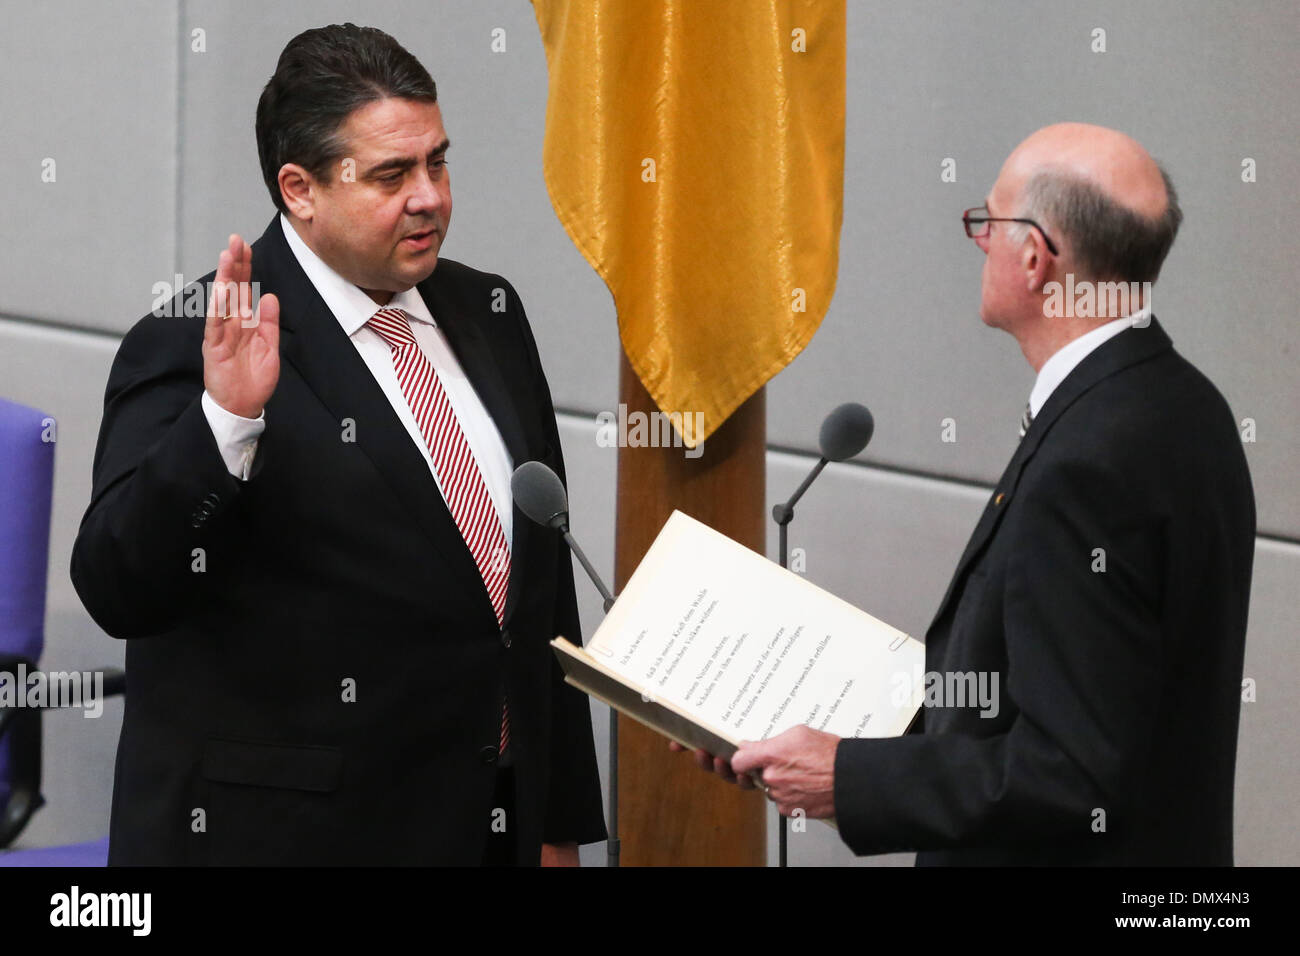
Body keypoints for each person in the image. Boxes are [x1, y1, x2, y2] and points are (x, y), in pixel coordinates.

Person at [70, 23, 605, 866]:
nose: (429, 196)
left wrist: (556, 823)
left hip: (484, 826)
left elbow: (535, 602)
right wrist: (223, 424)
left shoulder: (490, 314)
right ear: (300, 189)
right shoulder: (194, 337)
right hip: (289, 840)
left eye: (438, 161)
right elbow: (116, 584)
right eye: (392, 174)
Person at [680, 123, 1255, 865]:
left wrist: (845, 777)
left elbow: (1069, 775)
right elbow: (1070, 699)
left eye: (986, 222)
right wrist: (812, 732)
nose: (978, 242)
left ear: (1034, 257)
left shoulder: (1090, 464)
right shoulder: (1187, 406)